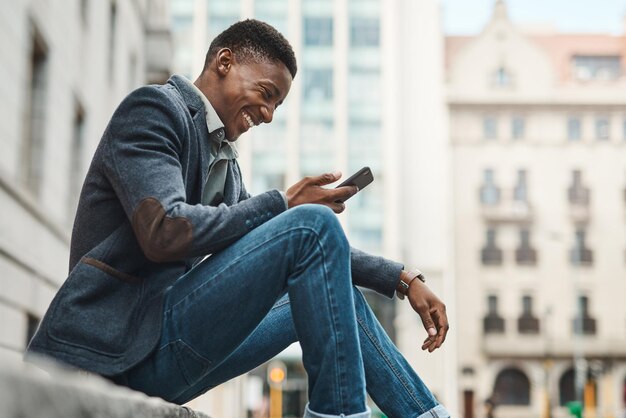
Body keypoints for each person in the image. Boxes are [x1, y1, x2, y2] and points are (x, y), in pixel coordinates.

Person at [26, 19, 450, 418]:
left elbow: (289, 242)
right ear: (224, 62)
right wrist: (284, 203)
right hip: (116, 350)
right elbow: (163, 230)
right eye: (266, 94)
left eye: (277, 105)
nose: (268, 115)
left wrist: (402, 278)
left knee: (336, 283)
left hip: (168, 347)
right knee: (313, 226)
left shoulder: (226, 164)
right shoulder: (153, 111)